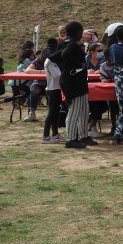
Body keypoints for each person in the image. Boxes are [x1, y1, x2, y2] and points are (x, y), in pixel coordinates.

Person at [54, 21, 93, 149]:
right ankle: (71, 138)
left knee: (83, 109)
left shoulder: (65, 44)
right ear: (77, 33)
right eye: (81, 32)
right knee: (75, 111)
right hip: (73, 82)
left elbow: (53, 57)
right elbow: (64, 55)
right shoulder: (70, 44)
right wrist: (79, 65)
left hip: (76, 81)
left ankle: (83, 135)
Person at [41, 48, 64, 144]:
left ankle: (55, 134)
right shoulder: (49, 62)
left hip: (57, 89)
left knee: (56, 113)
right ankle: (45, 136)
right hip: (52, 90)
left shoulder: (54, 62)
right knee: (51, 113)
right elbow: (57, 75)